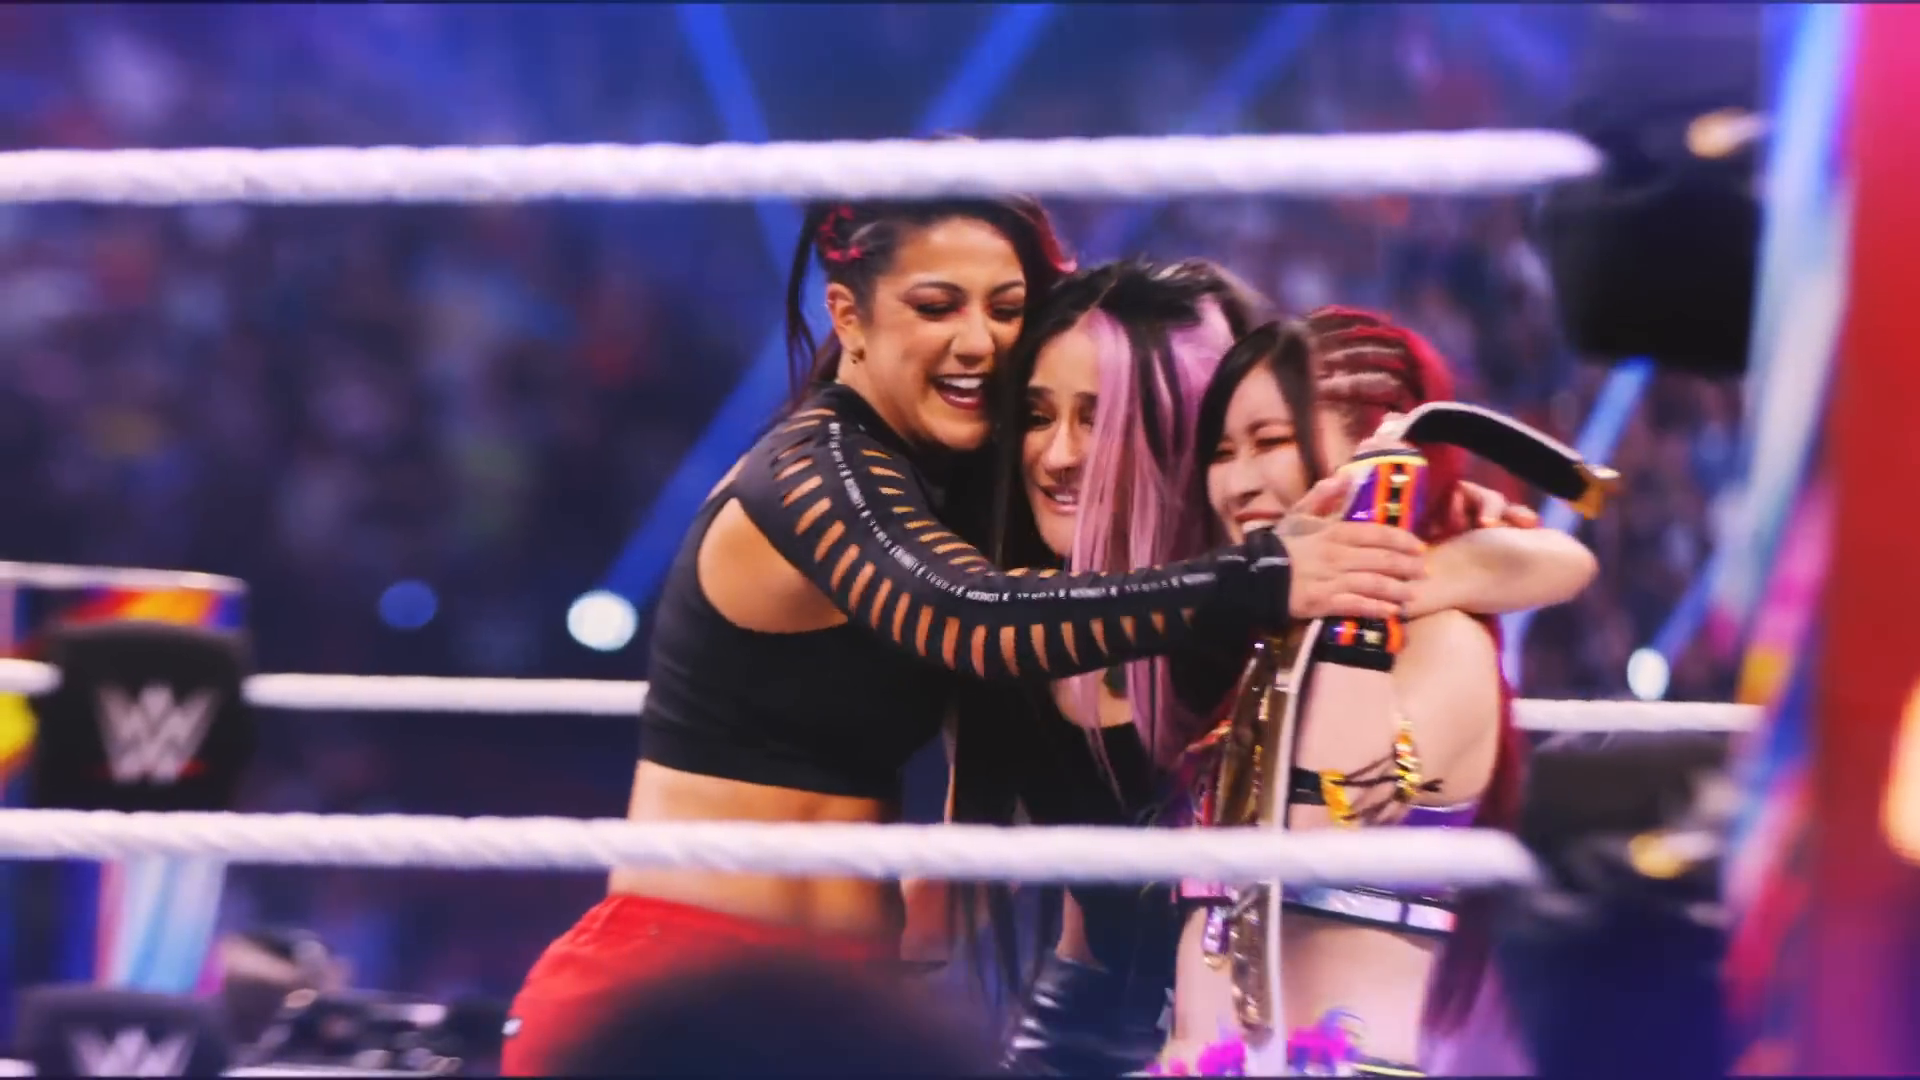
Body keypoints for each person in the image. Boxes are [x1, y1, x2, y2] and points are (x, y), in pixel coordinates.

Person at [499, 202, 1432, 1077]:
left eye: (1006, 308)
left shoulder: (944, 491)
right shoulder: (810, 470)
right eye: (937, 305)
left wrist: (1445, 541)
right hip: (687, 991)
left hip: (835, 998)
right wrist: (1265, 573)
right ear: (849, 316)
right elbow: (971, 617)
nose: (979, 340)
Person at [1158, 307, 1600, 1076]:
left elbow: (1321, 817)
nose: (1238, 482)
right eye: (1222, 453)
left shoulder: (1444, 644)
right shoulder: (1263, 640)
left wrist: (1375, 537)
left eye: (1270, 441)